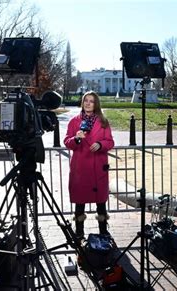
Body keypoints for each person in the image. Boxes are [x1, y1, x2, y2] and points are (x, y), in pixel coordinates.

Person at [64, 91, 115, 240]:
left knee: (101, 202)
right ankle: (79, 232)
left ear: (96, 104)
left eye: (91, 101)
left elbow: (110, 142)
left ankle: (103, 231)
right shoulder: (74, 121)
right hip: (80, 168)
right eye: (86, 100)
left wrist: (100, 144)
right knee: (80, 201)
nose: (88, 103)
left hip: (98, 168)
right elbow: (67, 142)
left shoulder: (103, 121)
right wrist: (76, 139)